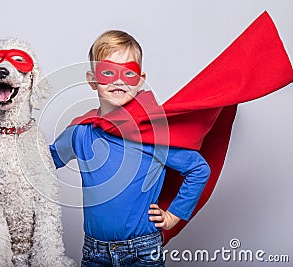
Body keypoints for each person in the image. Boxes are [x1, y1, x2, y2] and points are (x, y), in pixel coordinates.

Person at [49, 30, 211, 266]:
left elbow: (198, 169)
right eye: (107, 71)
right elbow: (45, 160)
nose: (118, 80)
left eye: (129, 72)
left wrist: (174, 215)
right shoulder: (80, 132)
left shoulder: (153, 135)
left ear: (141, 79)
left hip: (143, 251)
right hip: (95, 252)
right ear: (92, 79)